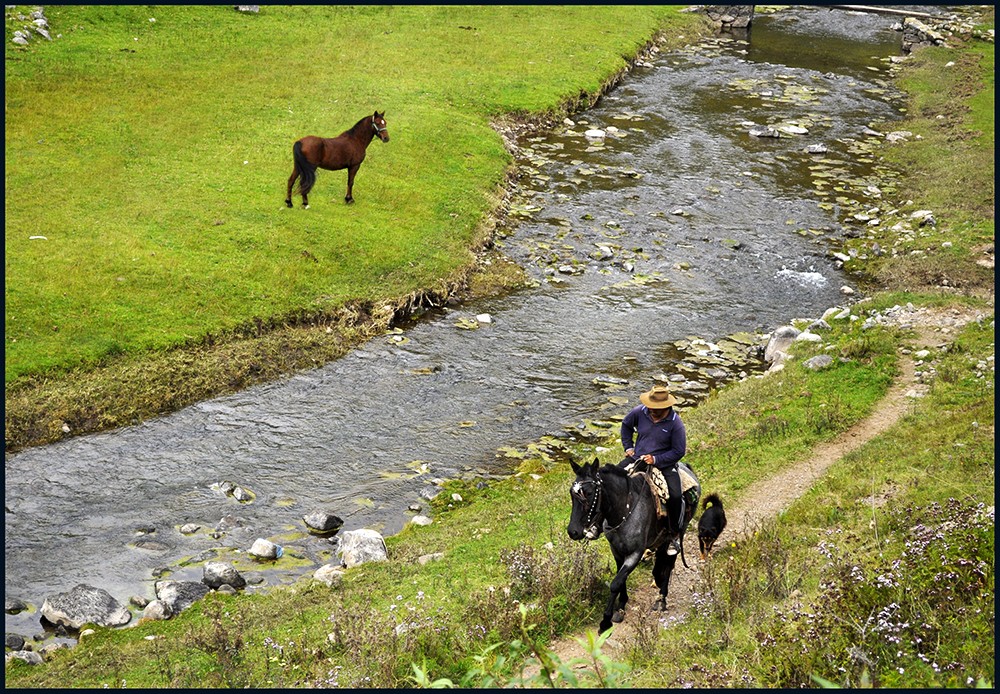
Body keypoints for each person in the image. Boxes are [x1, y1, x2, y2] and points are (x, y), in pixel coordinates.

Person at [619, 385, 687, 555]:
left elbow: (679, 451)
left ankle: (673, 535)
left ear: (666, 407)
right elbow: (626, 425)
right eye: (651, 407)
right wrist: (628, 447)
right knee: (612, 479)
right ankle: (603, 524)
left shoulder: (675, 423)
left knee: (676, 496)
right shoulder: (639, 412)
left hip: (664, 464)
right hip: (637, 459)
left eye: (656, 409)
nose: (652, 411)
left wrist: (656, 459)